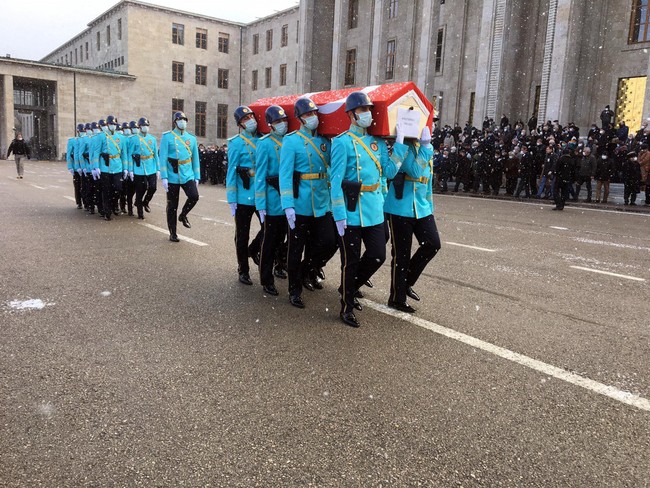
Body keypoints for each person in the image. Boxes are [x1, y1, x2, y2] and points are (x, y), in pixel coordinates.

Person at [330, 91, 407, 328]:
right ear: (352, 114)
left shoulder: (379, 143)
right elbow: (335, 182)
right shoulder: (342, 142)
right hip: (351, 211)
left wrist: (401, 145)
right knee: (350, 261)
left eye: (369, 110)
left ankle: (349, 286)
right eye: (363, 110)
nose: (367, 114)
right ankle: (347, 306)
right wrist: (339, 214)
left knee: (377, 255)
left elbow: (389, 172)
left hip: (373, 209)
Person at [279, 97, 336, 308]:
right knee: (296, 248)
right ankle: (294, 290)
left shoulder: (325, 141)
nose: (312, 118)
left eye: (314, 114)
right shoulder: (291, 140)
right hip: (300, 203)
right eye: (307, 114)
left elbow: (333, 163)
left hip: (322, 202)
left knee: (329, 242)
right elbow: (285, 175)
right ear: (300, 118)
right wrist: (288, 205)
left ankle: (307, 270)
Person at [384, 124, 437, 313]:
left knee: (433, 243)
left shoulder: (424, 147)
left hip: (421, 207)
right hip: (400, 208)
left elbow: (427, 180)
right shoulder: (405, 147)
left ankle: (406, 282)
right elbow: (414, 171)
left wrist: (430, 208)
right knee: (401, 255)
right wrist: (427, 147)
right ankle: (397, 298)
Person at [255, 105, 289, 296]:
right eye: (277, 121)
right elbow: (260, 176)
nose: (282, 124)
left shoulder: (290, 141)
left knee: (283, 237)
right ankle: (266, 278)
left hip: (289, 199)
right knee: (269, 240)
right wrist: (261, 204)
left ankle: (279, 265)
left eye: (284, 120)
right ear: (270, 125)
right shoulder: (265, 143)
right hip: (272, 200)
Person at [226, 105, 263, 283]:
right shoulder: (236, 143)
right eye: (245, 119)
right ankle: (243, 268)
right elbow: (231, 172)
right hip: (243, 195)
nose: (250, 121)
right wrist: (232, 199)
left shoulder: (263, 140)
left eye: (251, 117)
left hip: (262, 194)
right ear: (240, 124)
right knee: (242, 234)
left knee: (269, 230)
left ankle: (253, 249)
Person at [159, 111, 200, 241]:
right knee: (172, 205)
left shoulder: (192, 138)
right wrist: (164, 176)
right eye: (180, 119)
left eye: (184, 119)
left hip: (187, 173)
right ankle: (173, 232)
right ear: (175, 122)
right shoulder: (167, 137)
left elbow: (195, 159)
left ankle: (183, 215)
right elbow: (163, 157)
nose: (183, 122)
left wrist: (197, 176)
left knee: (194, 196)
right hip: (172, 175)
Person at [92, 116, 128, 221]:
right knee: (106, 190)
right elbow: (96, 152)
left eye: (114, 124)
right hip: (105, 167)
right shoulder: (101, 136)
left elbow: (124, 154)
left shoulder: (121, 138)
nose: (112, 126)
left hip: (117, 166)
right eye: (110, 124)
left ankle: (113, 205)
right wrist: (96, 167)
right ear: (107, 125)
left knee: (118, 188)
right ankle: (107, 212)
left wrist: (125, 168)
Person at [130, 117, 159, 219]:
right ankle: (140, 212)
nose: (145, 127)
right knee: (140, 190)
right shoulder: (134, 139)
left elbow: (156, 154)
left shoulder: (152, 139)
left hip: (151, 166)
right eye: (143, 126)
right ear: (139, 127)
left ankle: (145, 202)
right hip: (139, 167)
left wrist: (158, 169)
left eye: (147, 125)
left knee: (153, 187)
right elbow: (130, 155)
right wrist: (130, 170)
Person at [67, 124, 84, 208]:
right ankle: (79, 202)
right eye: (81, 131)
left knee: (84, 185)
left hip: (85, 166)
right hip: (75, 167)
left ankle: (85, 201)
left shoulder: (86, 139)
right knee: (77, 185)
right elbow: (69, 155)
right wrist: (70, 167)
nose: (83, 133)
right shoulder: (72, 141)